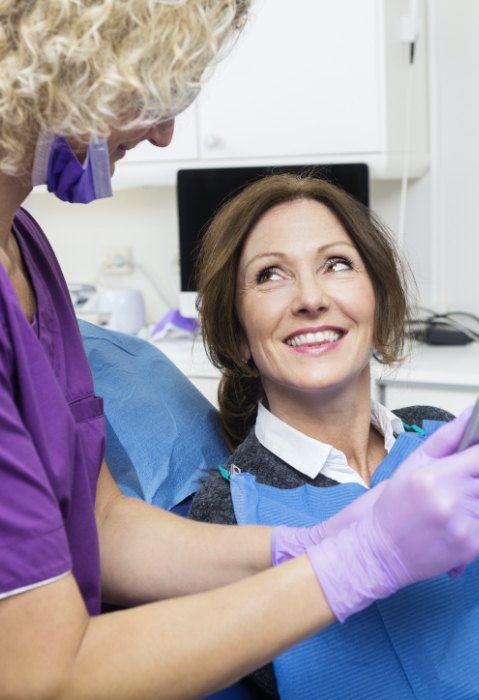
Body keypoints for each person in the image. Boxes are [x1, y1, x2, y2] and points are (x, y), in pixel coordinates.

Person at [1, 3, 479, 699]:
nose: (164, 134)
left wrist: (330, 535)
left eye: (338, 264)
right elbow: (43, 675)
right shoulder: (232, 497)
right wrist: (358, 556)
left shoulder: (26, 250)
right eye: (155, 92)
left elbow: (101, 523)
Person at [188, 172, 479, 699]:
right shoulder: (224, 514)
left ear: (380, 302)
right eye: (271, 275)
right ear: (237, 333)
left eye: (337, 264)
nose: (310, 297)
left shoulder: (441, 432)